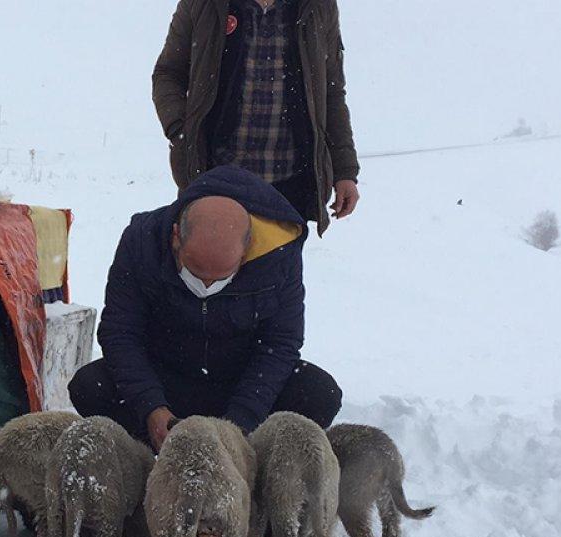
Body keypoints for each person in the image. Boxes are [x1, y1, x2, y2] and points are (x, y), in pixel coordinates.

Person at [68, 166, 341, 450]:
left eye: (220, 277)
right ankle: (149, 458)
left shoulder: (278, 255)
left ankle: (251, 463)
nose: (206, 284)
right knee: (90, 387)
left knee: (320, 394)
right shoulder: (142, 241)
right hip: (165, 377)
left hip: (239, 381)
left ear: (247, 250)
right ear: (176, 236)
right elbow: (120, 332)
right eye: (195, 272)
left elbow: (280, 343)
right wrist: (151, 406)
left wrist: (239, 422)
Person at [152, 0, 360, 235]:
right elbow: (168, 73)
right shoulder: (205, 5)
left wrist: (345, 172)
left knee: (277, 271)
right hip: (217, 183)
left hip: (289, 191)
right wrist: (181, 131)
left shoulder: (317, 7)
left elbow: (331, 93)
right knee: (211, 269)